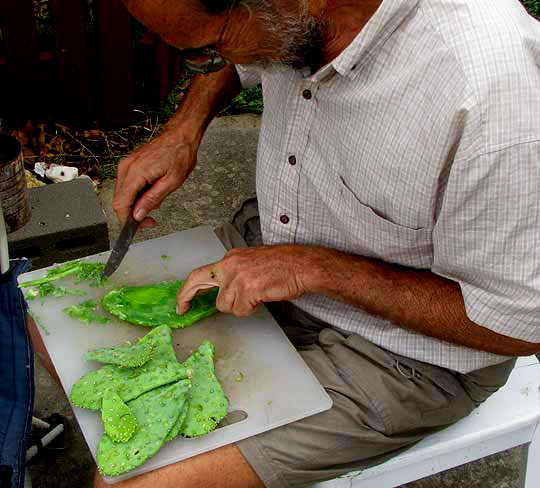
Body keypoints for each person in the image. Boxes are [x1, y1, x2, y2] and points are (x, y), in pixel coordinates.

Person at [96, 0, 540, 486]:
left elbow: (515, 326)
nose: (211, 63)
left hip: (413, 353)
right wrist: (184, 127)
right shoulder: (293, 18)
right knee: (61, 320)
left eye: (209, 49)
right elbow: (238, 60)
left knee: (129, 482)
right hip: (275, 244)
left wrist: (311, 268)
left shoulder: (496, 97)